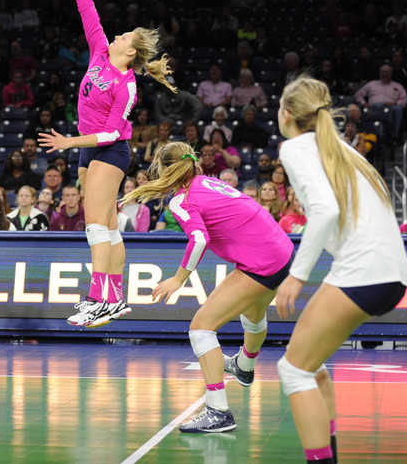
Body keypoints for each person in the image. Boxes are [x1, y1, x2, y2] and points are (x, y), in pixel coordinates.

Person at [273, 77, 407, 464]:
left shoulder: (297, 147)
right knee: (310, 368)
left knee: (293, 371)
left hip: (364, 270)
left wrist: (297, 276)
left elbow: (325, 211)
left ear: (286, 115)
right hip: (392, 272)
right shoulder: (345, 150)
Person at [39, 0, 175, 328]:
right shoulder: (100, 50)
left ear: (131, 52)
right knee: (107, 226)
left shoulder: (127, 85)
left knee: (95, 224)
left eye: (124, 36)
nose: (116, 35)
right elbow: (86, 8)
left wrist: (68, 143)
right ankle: (114, 298)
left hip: (110, 151)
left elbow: (113, 132)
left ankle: (98, 298)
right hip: (89, 150)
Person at [123, 142, 293, 432]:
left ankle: (218, 411)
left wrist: (178, 278)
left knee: (201, 328)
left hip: (261, 261)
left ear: (164, 169)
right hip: (281, 250)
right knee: (253, 313)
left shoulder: (181, 199)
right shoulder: (208, 181)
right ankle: (245, 365)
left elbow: (199, 239)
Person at [354, 65, 407, 143]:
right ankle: (377, 134)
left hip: (391, 108)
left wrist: (396, 103)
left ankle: (394, 136)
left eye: (387, 72)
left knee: (398, 109)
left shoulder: (397, 86)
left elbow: (404, 99)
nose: (385, 74)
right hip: (374, 108)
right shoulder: (372, 84)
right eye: (383, 72)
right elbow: (358, 95)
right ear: (380, 73)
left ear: (391, 74)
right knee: (378, 106)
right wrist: (364, 103)